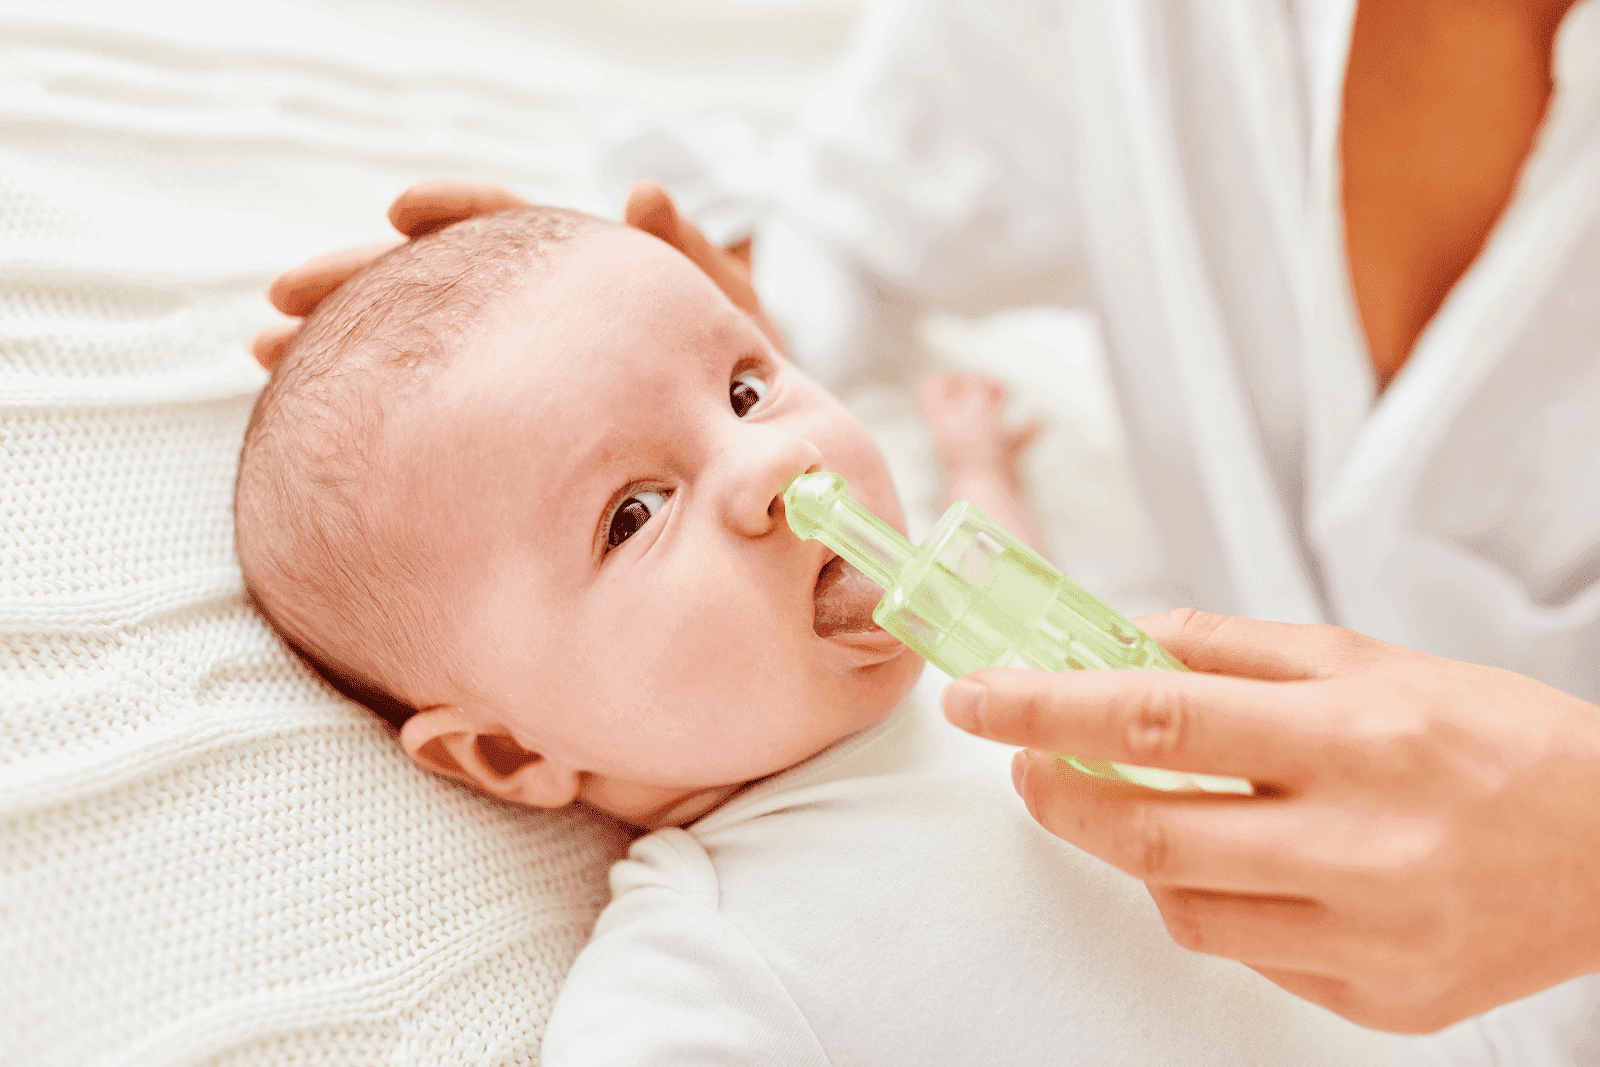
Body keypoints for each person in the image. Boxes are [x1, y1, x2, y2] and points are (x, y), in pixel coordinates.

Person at [254, 0, 1600, 1040]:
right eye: (632, 512)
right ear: (502, 748)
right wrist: (591, 332)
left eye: (745, 389)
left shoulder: (1011, 667)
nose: (772, 463)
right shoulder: (718, 952)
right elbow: (855, 219)